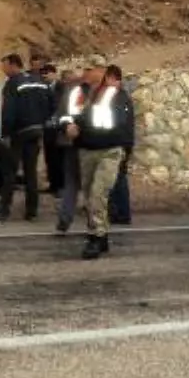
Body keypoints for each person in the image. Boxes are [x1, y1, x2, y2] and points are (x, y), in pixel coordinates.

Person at [64, 54, 136, 260]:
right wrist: (70, 126)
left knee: (98, 194)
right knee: (89, 196)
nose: (85, 73)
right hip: (86, 150)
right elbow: (77, 116)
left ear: (101, 71)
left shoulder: (118, 96)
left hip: (109, 151)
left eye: (90, 69)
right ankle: (100, 235)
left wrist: (125, 154)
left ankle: (96, 237)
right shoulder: (85, 94)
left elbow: (125, 127)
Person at [0, 53, 53, 222]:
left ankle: (4, 209)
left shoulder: (13, 84)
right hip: (36, 131)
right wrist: (44, 122)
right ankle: (31, 211)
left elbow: (8, 112)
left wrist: (4, 134)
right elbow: (51, 103)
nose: (3, 70)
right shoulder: (39, 81)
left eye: (5, 66)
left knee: (10, 173)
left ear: (14, 65)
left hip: (18, 133)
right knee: (30, 173)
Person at [54, 67, 89, 234]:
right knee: (83, 183)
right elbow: (63, 116)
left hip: (76, 143)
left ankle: (66, 217)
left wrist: (67, 127)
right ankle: (92, 220)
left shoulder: (72, 91)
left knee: (72, 183)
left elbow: (62, 116)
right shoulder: (92, 93)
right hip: (84, 145)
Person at [106, 65, 134, 225]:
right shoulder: (120, 97)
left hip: (120, 143)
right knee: (116, 178)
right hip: (122, 143)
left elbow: (120, 124)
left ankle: (122, 213)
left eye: (108, 79)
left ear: (114, 79)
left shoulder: (119, 98)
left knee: (119, 179)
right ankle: (118, 211)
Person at [38, 63, 64, 195]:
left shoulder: (61, 87)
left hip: (58, 127)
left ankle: (60, 186)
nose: (44, 76)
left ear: (54, 73)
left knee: (58, 158)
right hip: (47, 127)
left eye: (47, 74)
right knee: (49, 157)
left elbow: (61, 105)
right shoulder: (44, 88)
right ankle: (53, 184)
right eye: (43, 74)